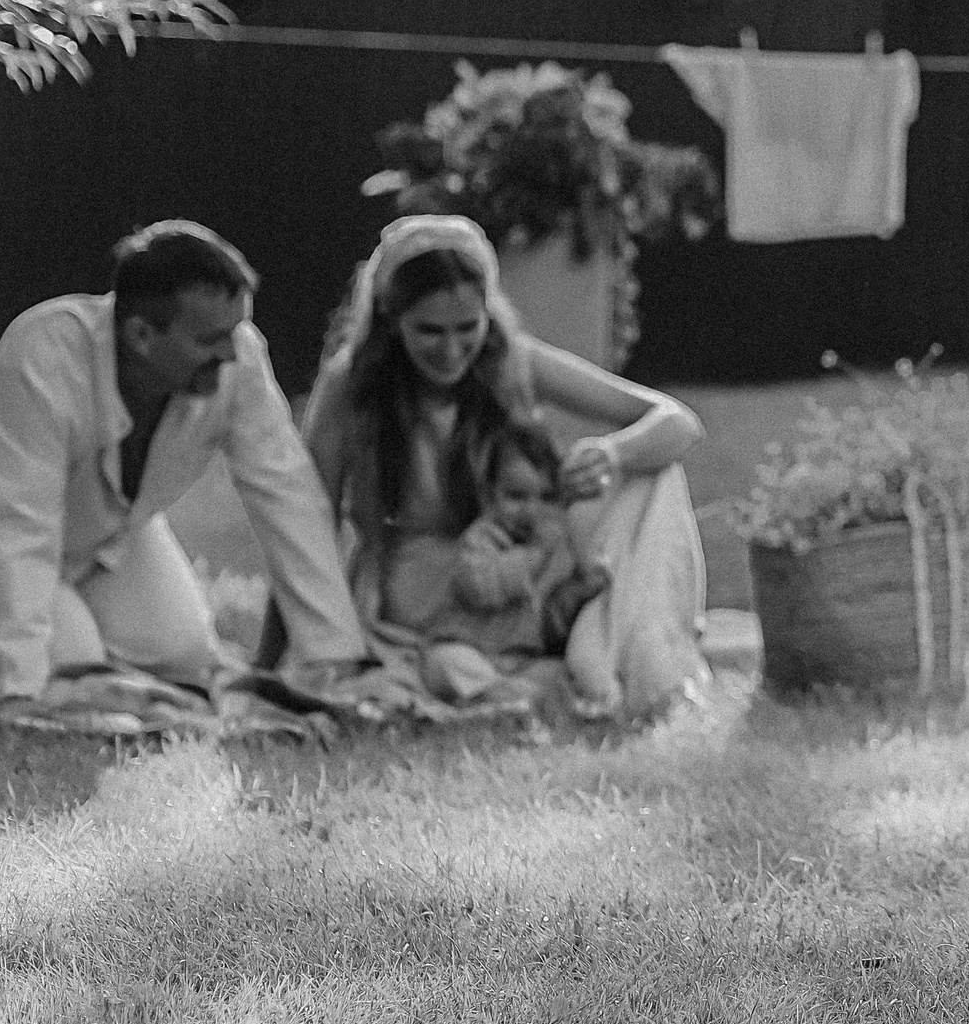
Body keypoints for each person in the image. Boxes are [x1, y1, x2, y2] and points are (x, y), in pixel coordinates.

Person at [297, 214, 710, 717]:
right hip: (424, 604)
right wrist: (283, 655)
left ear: (487, 315)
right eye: (428, 331)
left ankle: (648, 669)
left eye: (466, 328)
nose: (451, 352)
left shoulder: (510, 359)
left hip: (516, 583)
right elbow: (305, 525)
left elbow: (677, 422)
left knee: (656, 472)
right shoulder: (351, 384)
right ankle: (575, 670)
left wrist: (613, 454)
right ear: (390, 320)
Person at [0, 221, 376, 714]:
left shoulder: (237, 355)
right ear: (141, 334)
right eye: (210, 339)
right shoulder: (45, 356)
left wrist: (334, 660)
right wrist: (16, 690)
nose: (230, 353)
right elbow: (15, 528)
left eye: (235, 331)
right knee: (65, 663)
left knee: (183, 654)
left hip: (105, 538)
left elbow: (286, 493)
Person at [412, 419, 610, 705]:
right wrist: (534, 556)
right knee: (445, 663)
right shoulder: (481, 538)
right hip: (471, 649)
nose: (530, 511)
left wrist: (575, 592)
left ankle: (512, 698)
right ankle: (498, 695)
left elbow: (551, 623)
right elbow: (482, 589)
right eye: (516, 496)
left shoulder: (558, 549)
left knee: (563, 674)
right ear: (490, 495)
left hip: (523, 661)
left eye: (545, 498)